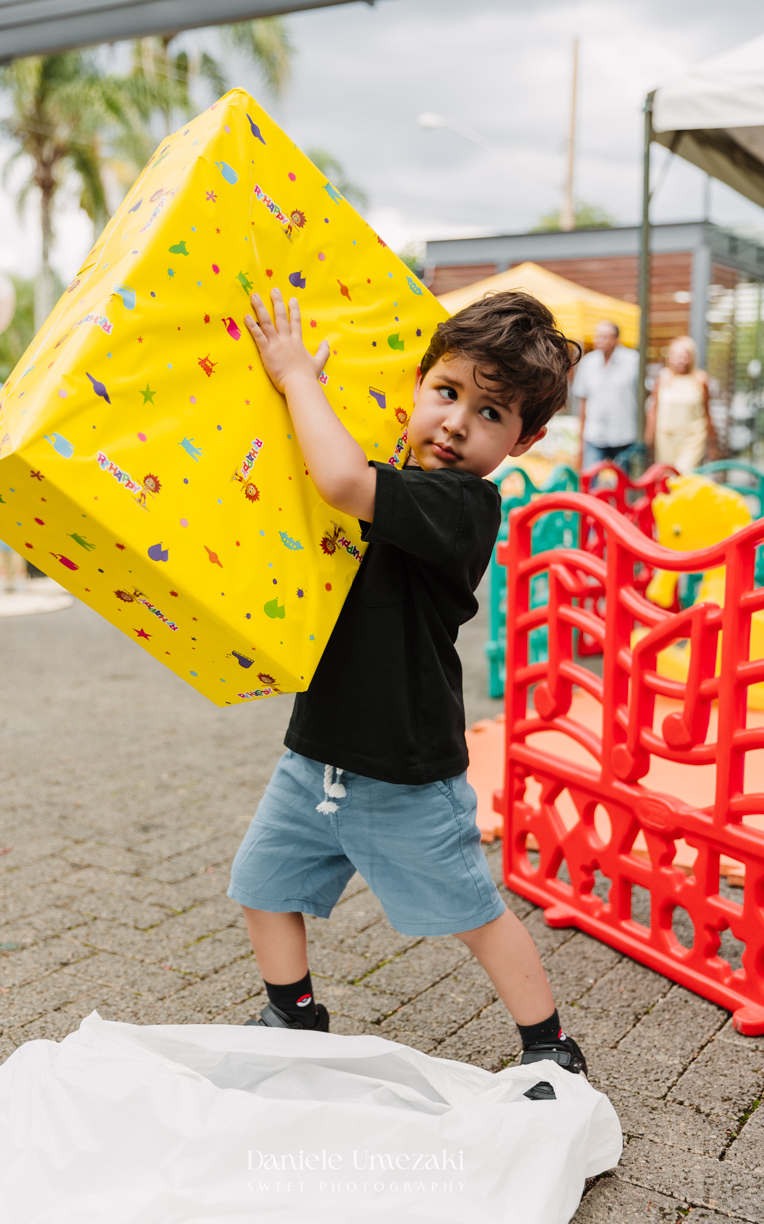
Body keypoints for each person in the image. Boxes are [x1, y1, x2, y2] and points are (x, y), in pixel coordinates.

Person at [229, 287, 587, 1077]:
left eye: (491, 414)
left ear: (524, 440)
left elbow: (342, 483)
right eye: (447, 392)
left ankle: (549, 1045)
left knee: (471, 911)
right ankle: (294, 1017)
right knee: (260, 883)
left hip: (406, 769)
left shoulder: (463, 505)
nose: (458, 423)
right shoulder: (397, 470)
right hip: (317, 751)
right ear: (418, 384)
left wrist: (296, 376)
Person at [644, 335, 717, 472]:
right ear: (670, 357)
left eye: (685, 356)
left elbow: (707, 413)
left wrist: (713, 444)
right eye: (676, 355)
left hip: (692, 438)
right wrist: (649, 436)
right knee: (667, 475)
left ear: (692, 357)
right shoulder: (663, 377)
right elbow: (653, 408)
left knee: (684, 474)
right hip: (666, 437)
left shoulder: (700, 379)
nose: (680, 360)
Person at [574, 320, 639, 470]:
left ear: (616, 339)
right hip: (594, 435)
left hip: (625, 435)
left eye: (605, 337)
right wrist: (581, 437)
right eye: (598, 336)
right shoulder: (588, 362)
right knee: (590, 481)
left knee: (624, 485)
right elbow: (583, 400)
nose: (600, 340)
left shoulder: (633, 361)